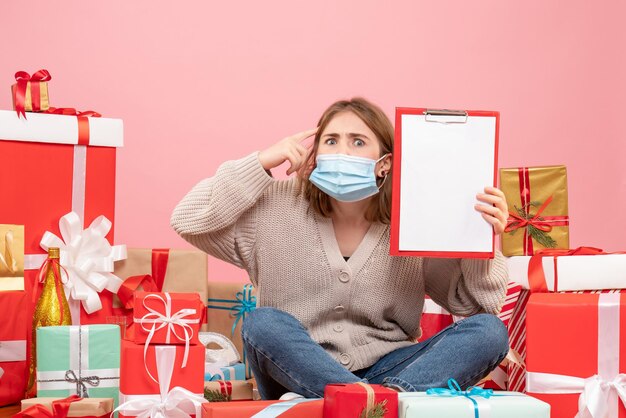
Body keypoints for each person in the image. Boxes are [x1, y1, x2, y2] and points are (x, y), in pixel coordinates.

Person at [171, 97, 510, 399]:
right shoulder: (274, 206)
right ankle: (377, 407)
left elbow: (476, 305)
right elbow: (188, 218)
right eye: (331, 141)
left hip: (393, 370)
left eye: (358, 141)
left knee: (489, 332)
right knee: (262, 323)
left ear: (385, 163)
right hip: (296, 371)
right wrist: (260, 162)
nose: (341, 152)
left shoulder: (412, 218)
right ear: (315, 153)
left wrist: (478, 238)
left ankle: (369, 404)